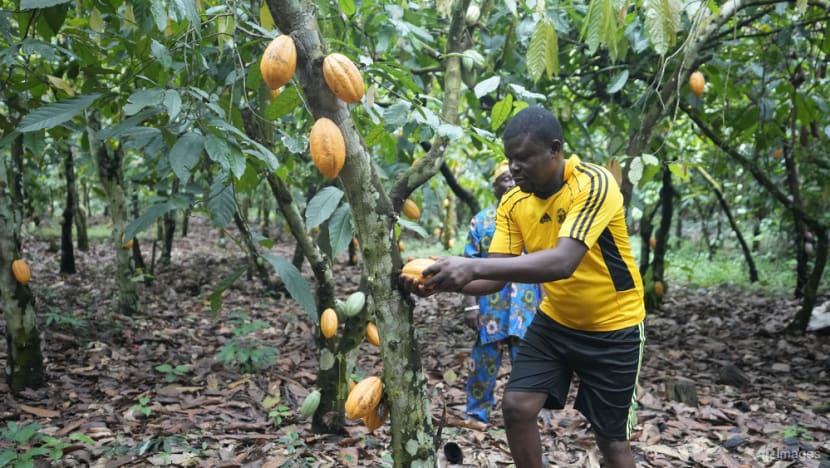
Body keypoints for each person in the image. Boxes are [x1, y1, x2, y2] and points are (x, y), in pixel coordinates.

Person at [401, 106, 645, 468]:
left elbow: (562, 263)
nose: (513, 168)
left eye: (523, 157)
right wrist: (444, 281)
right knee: (516, 407)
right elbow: (496, 275)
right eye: (509, 159)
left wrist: (472, 265)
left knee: (611, 442)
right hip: (556, 322)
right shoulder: (514, 201)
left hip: (615, 327)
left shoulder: (594, 184)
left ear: (554, 150)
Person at [461, 160, 542, 426]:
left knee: (528, 364)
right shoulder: (481, 221)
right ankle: (477, 413)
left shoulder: (533, 217)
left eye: (512, 178)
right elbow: (468, 265)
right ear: (495, 187)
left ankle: (529, 415)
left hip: (526, 307)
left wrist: (547, 304)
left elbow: (544, 264)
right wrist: (471, 306)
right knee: (483, 362)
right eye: (503, 180)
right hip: (490, 307)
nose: (509, 183)